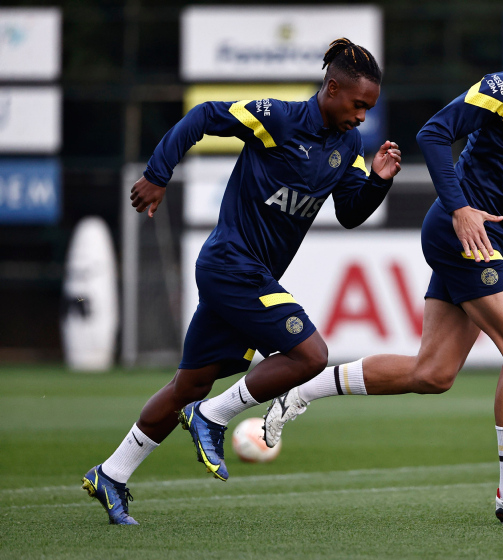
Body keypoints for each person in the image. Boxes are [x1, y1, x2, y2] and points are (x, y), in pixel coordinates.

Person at [264, 0, 503, 524]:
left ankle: (308, 387)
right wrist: (461, 209)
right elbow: (432, 132)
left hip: (485, 237)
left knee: (434, 373)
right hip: (462, 235)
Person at [81, 38, 402, 525]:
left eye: (369, 108)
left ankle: (113, 473)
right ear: (332, 88)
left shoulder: (349, 145)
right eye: (358, 104)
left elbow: (351, 212)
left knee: (189, 384)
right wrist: (158, 173)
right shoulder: (278, 119)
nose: (362, 116)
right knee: (311, 355)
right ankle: (212, 416)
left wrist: (378, 180)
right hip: (230, 264)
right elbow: (205, 115)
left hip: (249, 277)